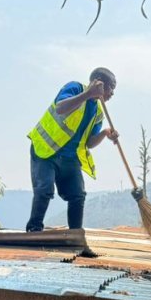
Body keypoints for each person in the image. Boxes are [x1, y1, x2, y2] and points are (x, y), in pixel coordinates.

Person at [25, 67, 120, 232]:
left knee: (77, 195)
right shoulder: (75, 88)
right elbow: (60, 108)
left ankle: (75, 233)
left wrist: (105, 133)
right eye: (111, 87)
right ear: (98, 83)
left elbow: (89, 143)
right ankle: (34, 230)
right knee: (44, 189)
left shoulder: (98, 112)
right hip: (46, 151)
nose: (112, 93)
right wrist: (88, 94)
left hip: (70, 158)